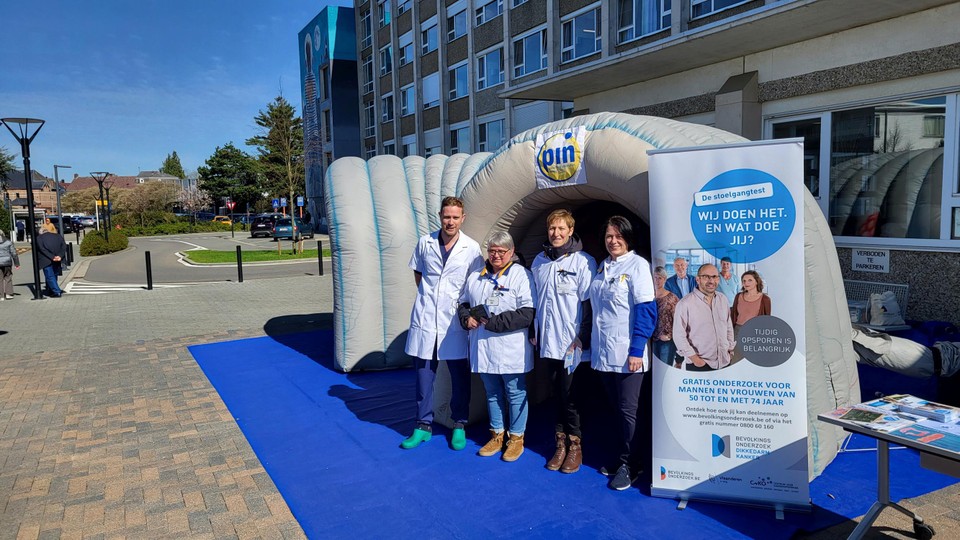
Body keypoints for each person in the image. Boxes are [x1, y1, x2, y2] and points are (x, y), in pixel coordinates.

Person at [402, 196, 484, 450]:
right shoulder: (425, 243)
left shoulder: (472, 248)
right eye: (446, 217)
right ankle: (422, 426)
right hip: (427, 317)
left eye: (455, 217)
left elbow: (474, 286)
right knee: (424, 377)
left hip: (453, 321)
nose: (450, 222)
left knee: (460, 378)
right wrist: (430, 298)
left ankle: (459, 424)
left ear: (463, 218)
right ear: (440, 216)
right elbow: (418, 273)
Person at [588, 216, 657, 491]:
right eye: (608, 236)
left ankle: (633, 464)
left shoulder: (638, 265)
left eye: (618, 236)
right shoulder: (603, 266)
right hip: (604, 353)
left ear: (628, 237)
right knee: (617, 409)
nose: (613, 241)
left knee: (631, 411)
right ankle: (623, 458)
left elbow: (646, 309)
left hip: (629, 353)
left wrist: (637, 348)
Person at [458, 232, 535, 462]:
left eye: (502, 251)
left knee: (514, 393)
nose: (496, 255)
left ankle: (516, 438)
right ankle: (496, 434)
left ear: (511, 253)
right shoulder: (476, 276)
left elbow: (528, 313)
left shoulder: (521, 275)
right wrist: (466, 318)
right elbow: (463, 303)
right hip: (483, 348)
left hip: (510, 348)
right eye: (492, 251)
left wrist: (494, 323)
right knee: (491, 393)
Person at [530, 209, 596, 473]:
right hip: (548, 342)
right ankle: (560, 443)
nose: (555, 234)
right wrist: (532, 331)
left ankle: (575, 445)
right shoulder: (539, 262)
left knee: (571, 396)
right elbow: (534, 302)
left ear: (571, 230)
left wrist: (583, 337)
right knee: (556, 394)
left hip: (572, 344)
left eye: (561, 229)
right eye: (551, 229)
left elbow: (589, 305)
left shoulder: (583, 262)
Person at [673, 264, 735, 371]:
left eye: (714, 277)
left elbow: (728, 326)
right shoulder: (685, 303)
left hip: (724, 361)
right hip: (699, 364)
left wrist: (730, 349)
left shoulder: (722, 299)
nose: (711, 281)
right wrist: (695, 359)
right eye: (706, 277)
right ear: (698, 279)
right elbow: (678, 335)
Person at [731, 270, 772, 363]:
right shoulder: (738, 296)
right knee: (735, 360)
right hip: (737, 331)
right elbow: (734, 315)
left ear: (756, 281)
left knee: (751, 361)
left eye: (750, 280)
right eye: (744, 281)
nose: (746, 283)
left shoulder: (765, 299)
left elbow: (767, 320)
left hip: (754, 333)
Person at [652, 266, 679, 367]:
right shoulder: (647, 295)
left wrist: (670, 335)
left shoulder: (672, 298)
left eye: (660, 278)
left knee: (664, 369)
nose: (657, 280)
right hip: (650, 340)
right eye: (655, 277)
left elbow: (679, 320)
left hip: (666, 341)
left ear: (665, 279)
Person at [36, 222, 67, 298]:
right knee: (55, 274)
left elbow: (42, 249)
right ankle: (50, 290)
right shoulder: (58, 236)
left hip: (46, 260)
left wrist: (52, 257)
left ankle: (56, 291)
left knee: (50, 276)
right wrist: (59, 256)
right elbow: (63, 246)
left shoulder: (39, 238)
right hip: (58, 259)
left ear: (40, 233)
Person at [0, 230, 20, 300]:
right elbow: (14, 253)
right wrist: (17, 263)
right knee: (8, 277)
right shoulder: (8, 242)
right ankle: (8, 294)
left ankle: (1, 296)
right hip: (7, 262)